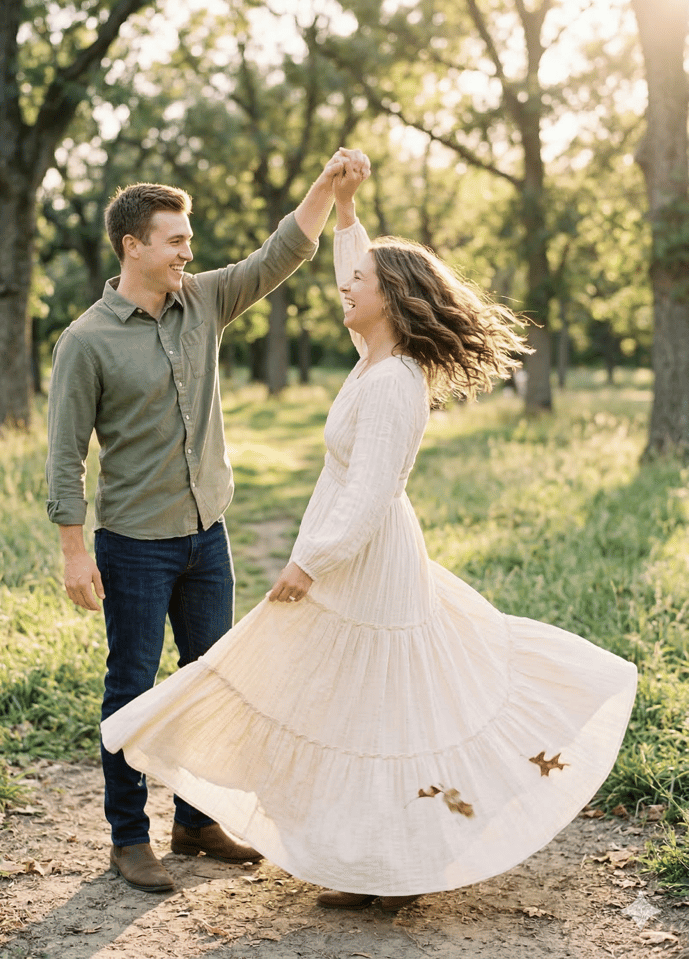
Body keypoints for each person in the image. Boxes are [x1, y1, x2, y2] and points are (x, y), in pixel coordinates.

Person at [100, 154, 638, 911]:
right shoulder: (378, 357)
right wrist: (346, 213)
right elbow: (358, 275)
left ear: (389, 301)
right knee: (362, 702)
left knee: (381, 705)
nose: (345, 289)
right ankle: (369, 858)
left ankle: (393, 863)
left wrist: (307, 563)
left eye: (359, 284)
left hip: (364, 559)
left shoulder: (391, 382)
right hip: (358, 558)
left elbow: (371, 491)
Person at [46, 149, 358, 894]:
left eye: (189, 238)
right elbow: (65, 456)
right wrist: (72, 553)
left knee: (210, 680)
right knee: (130, 686)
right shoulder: (86, 340)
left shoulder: (206, 301)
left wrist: (322, 188)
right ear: (133, 246)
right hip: (133, 545)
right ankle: (129, 837)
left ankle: (194, 820)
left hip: (205, 533)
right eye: (176, 238)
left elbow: (280, 253)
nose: (190, 249)